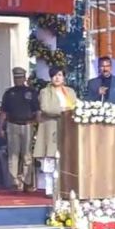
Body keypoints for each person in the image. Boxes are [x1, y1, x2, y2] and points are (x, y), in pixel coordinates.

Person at [33, 66, 78, 197]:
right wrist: (64, 110)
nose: (57, 78)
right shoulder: (45, 92)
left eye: (59, 75)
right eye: (54, 75)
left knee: (66, 157)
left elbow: (75, 106)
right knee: (50, 157)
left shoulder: (70, 91)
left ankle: (65, 187)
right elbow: (46, 108)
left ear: (64, 77)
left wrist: (69, 110)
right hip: (50, 127)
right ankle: (49, 188)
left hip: (68, 127)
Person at [0, 67, 40, 192]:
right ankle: (14, 182)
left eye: (20, 77)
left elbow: (37, 110)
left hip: (27, 124)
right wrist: (0, 127)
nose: (18, 80)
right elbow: (3, 112)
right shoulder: (9, 93)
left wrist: (37, 124)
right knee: (13, 154)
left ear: (24, 78)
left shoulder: (31, 92)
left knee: (27, 154)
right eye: (16, 78)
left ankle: (27, 182)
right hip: (12, 125)